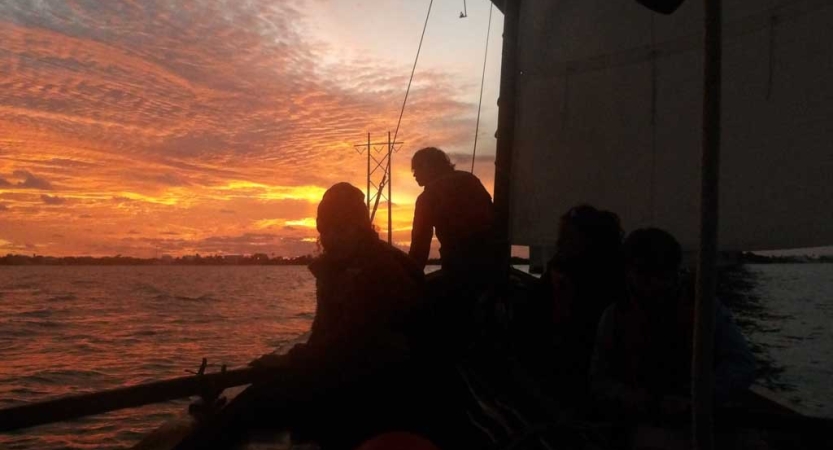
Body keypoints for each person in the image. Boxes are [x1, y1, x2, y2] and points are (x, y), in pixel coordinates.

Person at [178, 182, 435, 450]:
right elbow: (326, 337)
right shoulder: (339, 267)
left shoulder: (379, 270)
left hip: (383, 390)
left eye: (341, 229)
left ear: (360, 228)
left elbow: (352, 342)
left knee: (259, 403)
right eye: (325, 230)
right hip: (352, 374)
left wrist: (290, 360)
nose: (332, 237)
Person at [590, 227, 756, 420]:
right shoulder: (614, 316)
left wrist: (696, 395)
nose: (654, 281)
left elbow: (742, 364)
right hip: (641, 419)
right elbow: (599, 380)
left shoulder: (705, 309)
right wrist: (636, 398)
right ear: (628, 271)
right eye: (644, 272)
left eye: (662, 272)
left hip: (697, 415)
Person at [514, 205, 625, 410]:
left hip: (577, 386)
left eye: (568, 236)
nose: (560, 241)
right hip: (555, 379)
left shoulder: (603, 284)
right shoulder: (557, 276)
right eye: (562, 235)